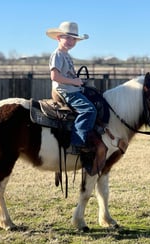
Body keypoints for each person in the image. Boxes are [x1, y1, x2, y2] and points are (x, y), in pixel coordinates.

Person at [46, 21, 97, 153]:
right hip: (65, 91)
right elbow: (55, 77)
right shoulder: (57, 55)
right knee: (89, 110)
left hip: (72, 88)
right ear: (58, 38)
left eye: (74, 39)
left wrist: (78, 81)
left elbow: (67, 74)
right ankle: (77, 142)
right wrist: (74, 82)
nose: (71, 41)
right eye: (68, 37)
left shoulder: (66, 55)